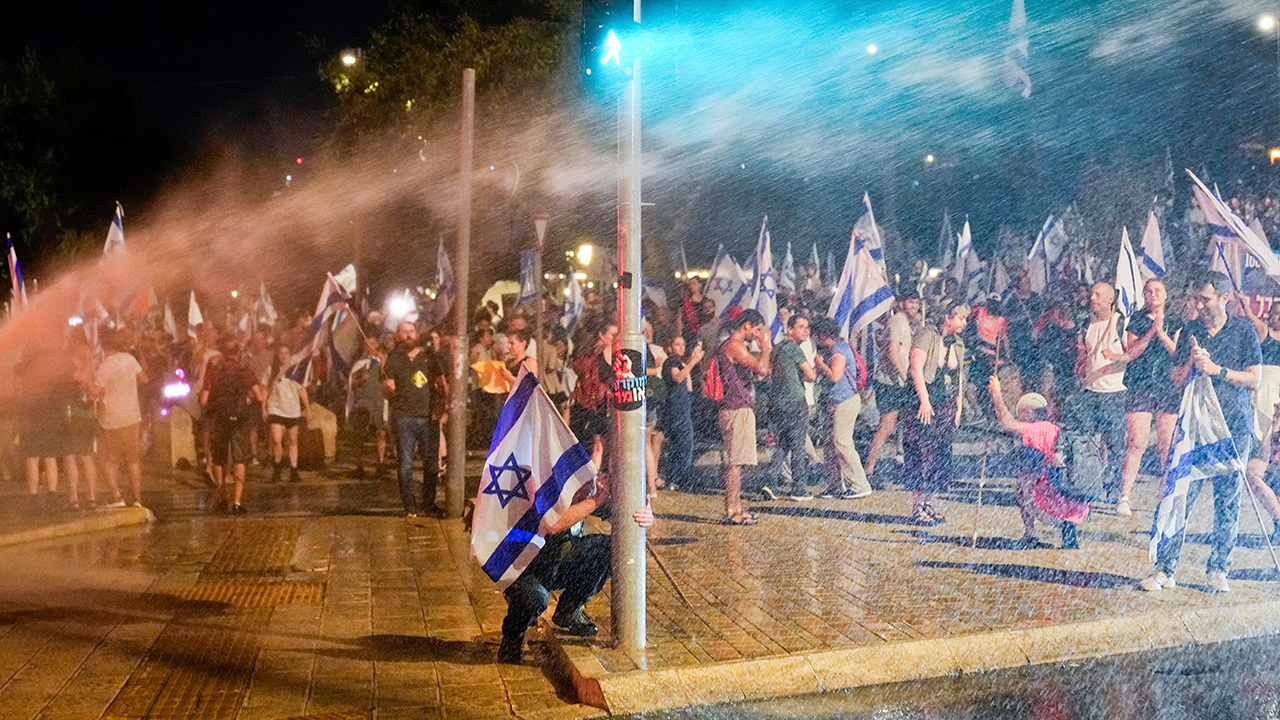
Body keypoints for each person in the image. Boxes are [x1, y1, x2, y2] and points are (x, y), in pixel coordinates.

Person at [1141, 271, 1261, 594]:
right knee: (1182, 493)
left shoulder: (1243, 330)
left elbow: (1254, 379)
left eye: (1205, 299)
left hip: (1233, 427)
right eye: (1196, 299)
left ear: (1224, 299)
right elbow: (1176, 378)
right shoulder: (1191, 330)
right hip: (1195, 426)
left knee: (1228, 500)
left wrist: (1217, 370)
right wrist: (1191, 366)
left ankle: (1219, 568)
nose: (1199, 305)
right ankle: (1165, 568)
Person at [497, 464, 654, 664]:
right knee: (535, 598)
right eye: (585, 478)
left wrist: (644, 515)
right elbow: (553, 524)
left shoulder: (586, 493)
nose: (594, 482)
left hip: (558, 562)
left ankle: (569, 611)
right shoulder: (544, 488)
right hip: (525, 568)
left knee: (608, 547)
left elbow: (625, 516)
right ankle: (512, 637)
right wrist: (594, 501)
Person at [988, 376, 1089, 549]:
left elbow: (1007, 423)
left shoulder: (1046, 430)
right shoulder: (1083, 432)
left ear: (1053, 406)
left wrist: (997, 394)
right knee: (1066, 480)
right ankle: (1069, 533)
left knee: (1024, 481)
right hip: (1081, 511)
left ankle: (1030, 535)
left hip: (1053, 513)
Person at [1115, 279, 1183, 517]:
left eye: (1157, 291)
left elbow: (1177, 352)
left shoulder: (1176, 321)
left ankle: (1165, 496)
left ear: (1166, 295)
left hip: (1167, 386)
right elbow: (1130, 353)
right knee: (1137, 441)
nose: (1152, 295)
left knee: (1167, 445)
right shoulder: (1136, 320)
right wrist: (1150, 332)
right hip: (1141, 385)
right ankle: (1124, 496)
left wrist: (1162, 333)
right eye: (1148, 291)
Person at [903, 300, 969, 525]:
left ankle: (928, 503)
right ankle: (917, 506)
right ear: (948, 317)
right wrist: (924, 400)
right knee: (921, 454)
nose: (964, 322)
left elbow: (959, 375)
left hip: (945, 405)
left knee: (940, 456)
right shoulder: (927, 334)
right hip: (922, 403)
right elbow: (916, 368)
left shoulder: (957, 343)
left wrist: (959, 406)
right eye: (961, 317)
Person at [383, 321, 446, 518]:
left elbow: (440, 383)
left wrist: (441, 403)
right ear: (398, 336)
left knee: (431, 464)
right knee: (405, 464)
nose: (409, 335)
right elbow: (387, 390)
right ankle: (409, 507)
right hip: (404, 418)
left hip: (428, 416)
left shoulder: (429, 357)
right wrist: (387, 387)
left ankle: (428, 502)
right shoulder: (392, 359)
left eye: (412, 331)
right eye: (404, 332)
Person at [1071, 282, 1127, 502]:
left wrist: (1117, 357)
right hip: (1089, 390)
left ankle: (1114, 490)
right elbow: (1082, 353)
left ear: (1110, 299)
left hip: (1114, 391)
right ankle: (1087, 484)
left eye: (1098, 295)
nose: (1092, 298)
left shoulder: (1120, 322)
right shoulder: (1086, 323)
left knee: (1115, 444)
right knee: (1085, 442)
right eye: (1092, 294)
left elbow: (1131, 352)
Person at [716, 309, 771, 525]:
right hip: (736, 408)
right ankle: (731, 511)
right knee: (736, 463)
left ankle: (736, 507)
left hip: (738, 406)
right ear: (747, 325)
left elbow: (760, 372)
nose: (757, 333)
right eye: (756, 329)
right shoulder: (734, 345)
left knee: (740, 462)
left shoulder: (736, 346)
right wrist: (765, 346)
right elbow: (763, 367)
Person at [810, 316, 872, 500]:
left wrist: (820, 364)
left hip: (845, 401)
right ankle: (834, 485)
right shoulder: (835, 349)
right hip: (835, 402)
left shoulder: (839, 350)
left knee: (842, 442)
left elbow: (835, 376)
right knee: (830, 445)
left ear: (823, 336)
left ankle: (860, 483)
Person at [201, 340, 265, 514]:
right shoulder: (245, 371)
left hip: (219, 420)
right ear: (238, 353)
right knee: (239, 460)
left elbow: (204, 400)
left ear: (222, 353)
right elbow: (259, 397)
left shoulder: (214, 372)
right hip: (239, 421)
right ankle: (237, 502)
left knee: (219, 459)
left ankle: (222, 498)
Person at [865, 294, 922, 477]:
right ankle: (869, 467)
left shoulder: (904, 322)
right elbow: (892, 352)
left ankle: (900, 458)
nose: (914, 305)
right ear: (902, 303)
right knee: (887, 426)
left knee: (901, 424)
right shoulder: (898, 321)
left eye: (916, 302)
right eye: (910, 301)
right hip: (890, 381)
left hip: (895, 381)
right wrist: (905, 376)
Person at [92, 329, 147, 508]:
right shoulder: (129, 359)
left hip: (111, 418)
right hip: (132, 415)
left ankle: (116, 496)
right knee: (133, 459)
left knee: (107, 458)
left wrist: (86, 380)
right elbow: (143, 378)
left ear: (103, 345)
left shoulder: (105, 366)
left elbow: (94, 393)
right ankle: (138, 498)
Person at [763, 315, 816, 500]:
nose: (805, 330)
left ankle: (769, 481)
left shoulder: (777, 349)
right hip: (795, 401)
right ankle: (798, 487)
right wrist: (812, 371)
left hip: (778, 401)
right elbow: (811, 374)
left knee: (784, 444)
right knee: (798, 446)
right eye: (801, 327)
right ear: (790, 329)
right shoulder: (794, 349)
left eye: (807, 327)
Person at [1241, 299, 1280, 540]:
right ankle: (1278, 517)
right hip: (1263, 404)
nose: (1277, 317)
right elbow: (1256, 324)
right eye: (1275, 313)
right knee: (1253, 471)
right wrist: (1246, 305)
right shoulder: (1267, 336)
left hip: (1275, 410)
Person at [658, 335, 703, 491]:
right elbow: (677, 377)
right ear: (670, 347)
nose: (681, 347)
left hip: (684, 404)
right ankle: (677, 478)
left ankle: (679, 478)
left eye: (683, 344)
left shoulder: (681, 362)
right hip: (676, 406)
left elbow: (688, 384)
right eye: (677, 345)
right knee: (682, 442)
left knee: (683, 443)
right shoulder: (671, 362)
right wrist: (692, 362)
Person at [262, 344, 309, 483]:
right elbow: (265, 388)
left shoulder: (296, 371)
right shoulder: (271, 370)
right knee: (276, 439)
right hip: (276, 408)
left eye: (286, 353)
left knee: (292, 440)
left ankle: (293, 469)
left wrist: (307, 408)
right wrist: (263, 406)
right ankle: (277, 466)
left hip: (292, 409)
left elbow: (301, 389)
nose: (283, 356)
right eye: (281, 353)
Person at [348, 337, 389, 478]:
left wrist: (383, 363)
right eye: (366, 344)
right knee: (360, 434)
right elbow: (350, 384)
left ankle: (380, 463)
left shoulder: (382, 362)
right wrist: (361, 379)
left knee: (381, 432)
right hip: (363, 402)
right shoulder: (360, 364)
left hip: (378, 401)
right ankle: (359, 465)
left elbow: (388, 378)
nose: (369, 346)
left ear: (377, 345)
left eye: (371, 344)